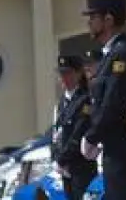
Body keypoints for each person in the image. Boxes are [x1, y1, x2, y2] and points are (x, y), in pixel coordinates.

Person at [81, 0, 126, 200]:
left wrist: (92, 136)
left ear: (108, 20)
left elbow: (113, 102)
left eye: (93, 17)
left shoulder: (123, 54)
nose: (89, 23)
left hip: (123, 146)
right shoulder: (112, 54)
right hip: (115, 146)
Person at [51, 54, 97, 200]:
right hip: (65, 168)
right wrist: (55, 157)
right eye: (61, 73)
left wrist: (61, 159)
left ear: (78, 73)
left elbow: (78, 133)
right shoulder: (62, 102)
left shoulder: (85, 100)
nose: (63, 78)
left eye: (68, 73)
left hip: (80, 166)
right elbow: (56, 133)